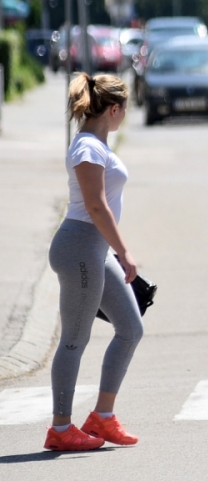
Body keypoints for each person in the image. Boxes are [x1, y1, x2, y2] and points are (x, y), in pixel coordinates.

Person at [44, 73, 143, 451]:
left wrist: (113, 250)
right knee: (74, 339)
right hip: (81, 248)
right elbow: (97, 206)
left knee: (130, 329)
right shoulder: (87, 147)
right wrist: (124, 251)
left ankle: (101, 417)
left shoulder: (97, 145)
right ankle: (61, 427)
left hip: (94, 249)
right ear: (114, 109)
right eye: (125, 109)